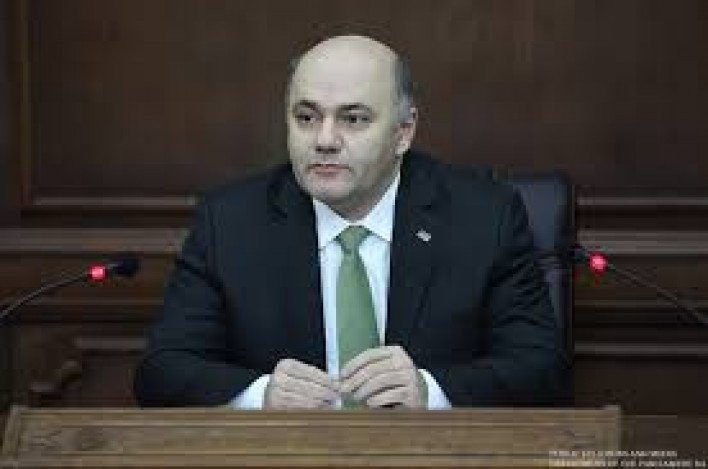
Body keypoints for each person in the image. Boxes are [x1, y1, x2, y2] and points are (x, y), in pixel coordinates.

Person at [134, 35, 568, 409]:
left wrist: (429, 390)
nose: (324, 140)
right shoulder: (230, 221)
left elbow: (541, 368)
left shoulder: (484, 216)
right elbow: (162, 371)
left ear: (404, 131)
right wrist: (261, 394)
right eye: (306, 118)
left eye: (354, 119)